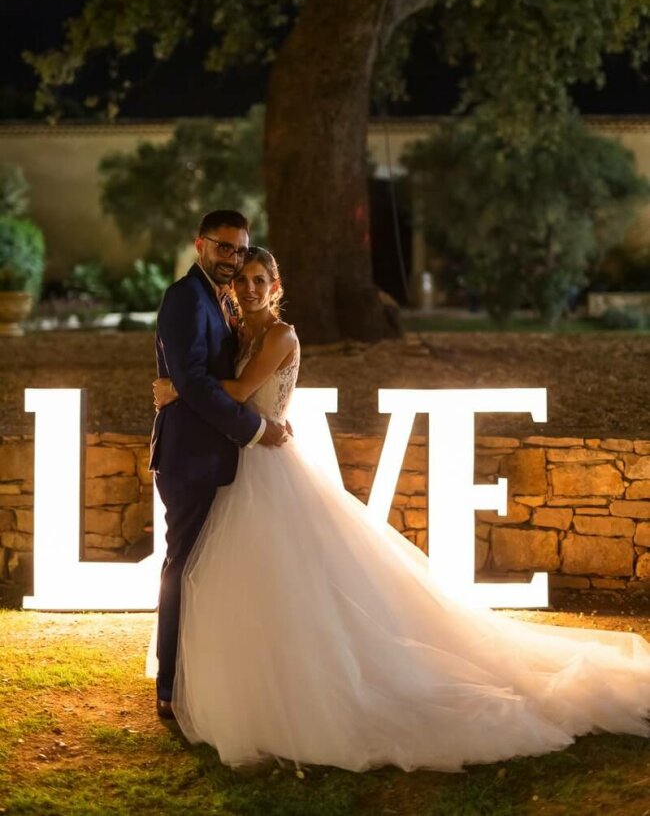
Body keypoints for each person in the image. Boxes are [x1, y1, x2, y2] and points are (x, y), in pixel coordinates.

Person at [155, 247, 650, 772]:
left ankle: (310, 687)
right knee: (251, 583)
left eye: (261, 280)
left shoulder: (280, 336)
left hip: (270, 467)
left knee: (296, 582)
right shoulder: (239, 331)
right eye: (244, 281)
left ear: (276, 287)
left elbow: (235, 390)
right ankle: (249, 680)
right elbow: (222, 386)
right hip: (242, 465)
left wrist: (177, 391)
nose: (251, 288)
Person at [149, 211, 286, 720]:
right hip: (190, 457)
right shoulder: (185, 298)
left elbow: (202, 378)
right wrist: (254, 430)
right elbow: (198, 380)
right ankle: (169, 685)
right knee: (183, 569)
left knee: (214, 571)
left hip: (221, 457)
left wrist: (177, 387)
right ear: (200, 244)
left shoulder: (223, 299)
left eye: (238, 249)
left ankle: (205, 675)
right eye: (223, 248)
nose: (230, 257)